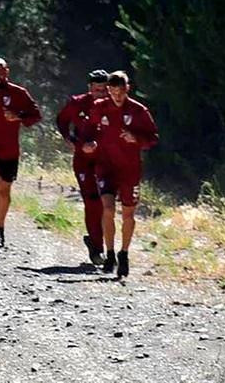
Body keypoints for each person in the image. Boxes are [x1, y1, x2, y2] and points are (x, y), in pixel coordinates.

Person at [81, 71, 158, 277]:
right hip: (106, 167)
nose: (117, 96)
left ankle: (124, 253)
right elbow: (87, 129)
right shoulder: (99, 107)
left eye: (121, 92)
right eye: (113, 91)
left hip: (130, 169)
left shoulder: (138, 110)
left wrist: (136, 138)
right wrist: (88, 143)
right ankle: (110, 253)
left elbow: (152, 138)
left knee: (128, 213)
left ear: (127, 89)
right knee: (107, 208)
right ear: (108, 90)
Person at [0, 58, 41, 248]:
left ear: (6, 72)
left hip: (9, 149)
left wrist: (18, 117)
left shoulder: (18, 93)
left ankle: (1, 226)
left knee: (4, 189)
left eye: (0, 72)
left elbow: (36, 114)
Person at [56, 69, 110, 264]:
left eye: (104, 90)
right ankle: (97, 248)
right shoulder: (77, 103)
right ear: (89, 88)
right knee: (92, 201)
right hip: (83, 160)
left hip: (107, 160)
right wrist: (70, 139)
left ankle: (99, 243)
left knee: (106, 204)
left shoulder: (114, 105)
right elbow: (62, 120)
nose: (101, 94)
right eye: (97, 90)